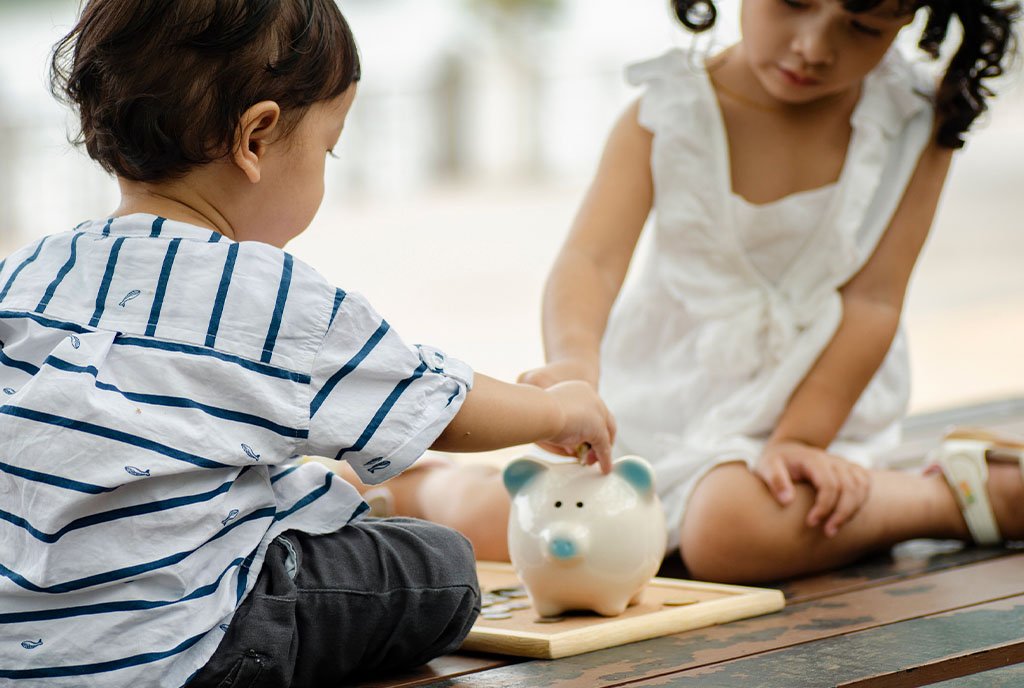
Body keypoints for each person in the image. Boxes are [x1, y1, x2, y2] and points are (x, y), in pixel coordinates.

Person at [0, 1, 615, 686]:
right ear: (256, 138)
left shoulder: (25, 275)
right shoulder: (261, 294)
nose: (326, 166)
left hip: (22, 650)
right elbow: (435, 399)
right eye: (329, 147)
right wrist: (558, 411)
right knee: (438, 568)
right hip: (184, 656)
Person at [372, 0, 1024, 581]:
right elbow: (591, 260)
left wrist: (798, 441)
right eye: (793, 3)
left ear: (910, 15)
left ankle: (955, 498)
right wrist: (574, 365)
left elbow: (874, 301)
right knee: (535, 522)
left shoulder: (916, 120)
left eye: (862, 23)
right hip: (662, 398)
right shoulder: (669, 109)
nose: (814, 47)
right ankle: (426, 489)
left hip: (815, 412)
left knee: (729, 531)